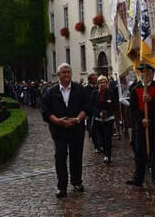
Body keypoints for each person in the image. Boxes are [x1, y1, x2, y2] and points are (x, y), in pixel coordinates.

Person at [42, 63, 88, 198]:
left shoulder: (79, 89)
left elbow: (86, 107)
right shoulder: (51, 92)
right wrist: (57, 121)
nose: (66, 74)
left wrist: (77, 120)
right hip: (58, 131)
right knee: (60, 157)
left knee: (76, 156)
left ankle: (77, 182)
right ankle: (61, 187)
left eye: (68, 72)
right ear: (58, 75)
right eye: (63, 72)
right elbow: (45, 111)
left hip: (76, 129)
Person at [126, 63, 155, 187]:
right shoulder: (135, 89)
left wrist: (152, 101)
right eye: (142, 73)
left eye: (148, 72)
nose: (145, 75)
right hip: (141, 126)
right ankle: (138, 177)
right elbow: (132, 109)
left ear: (152, 73)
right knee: (140, 151)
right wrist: (140, 120)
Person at [90, 75, 118, 163]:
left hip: (108, 119)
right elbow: (92, 106)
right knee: (101, 138)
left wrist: (106, 113)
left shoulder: (111, 92)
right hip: (98, 119)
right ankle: (103, 150)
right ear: (98, 84)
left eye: (104, 82)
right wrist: (99, 113)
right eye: (100, 82)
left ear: (107, 83)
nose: (102, 84)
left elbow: (114, 105)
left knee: (107, 137)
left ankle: (107, 155)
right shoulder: (94, 93)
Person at [83, 73, 99, 152]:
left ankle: (100, 144)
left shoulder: (98, 87)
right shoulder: (86, 89)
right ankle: (96, 145)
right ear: (90, 80)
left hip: (99, 112)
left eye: (96, 79)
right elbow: (85, 101)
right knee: (93, 130)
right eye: (94, 79)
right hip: (90, 113)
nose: (96, 80)